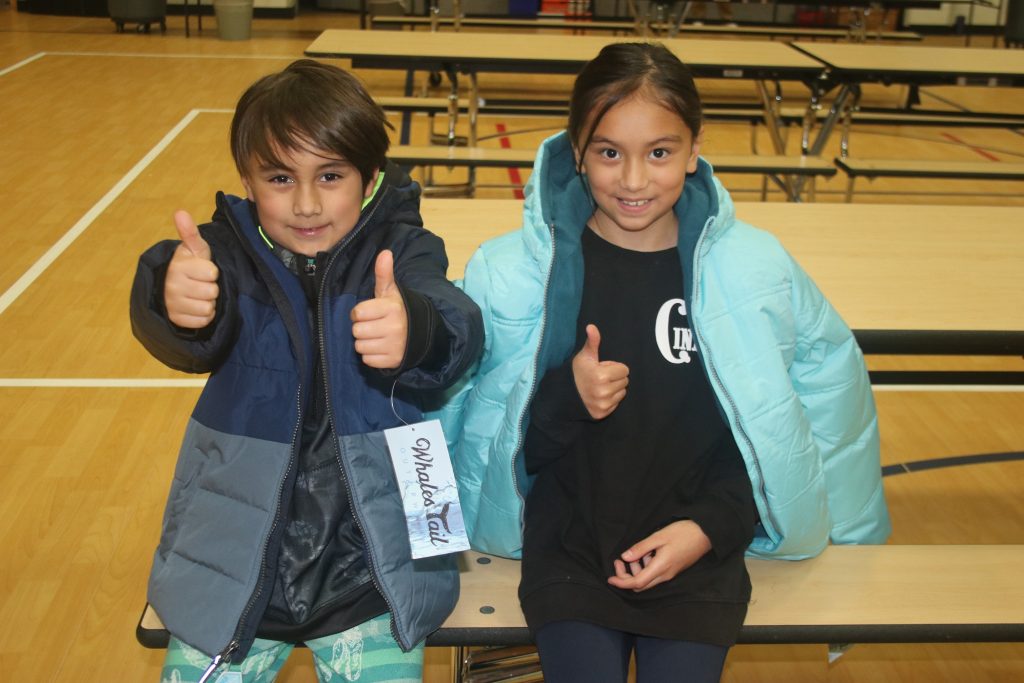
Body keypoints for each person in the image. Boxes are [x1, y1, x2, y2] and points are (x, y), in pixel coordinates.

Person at [431, 42, 890, 682]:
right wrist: (567, 397)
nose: (635, 179)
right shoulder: (512, 273)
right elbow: (479, 438)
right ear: (576, 151)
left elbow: (800, 411)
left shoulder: (754, 270)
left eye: (660, 152)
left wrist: (709, 528)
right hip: (570, 555)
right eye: (609, 152)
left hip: (702, 551)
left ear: (695, 149)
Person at [130, 59, 483, 683]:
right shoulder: (224, 257)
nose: (307, 202)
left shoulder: (403, 248)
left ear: (370, 176)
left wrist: (416, 330)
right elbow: (187, 327)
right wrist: (175, 300)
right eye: (279, 177)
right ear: (247, 179)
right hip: (232, 560)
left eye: (330, 174)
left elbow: (457, 324)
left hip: (377, 568)